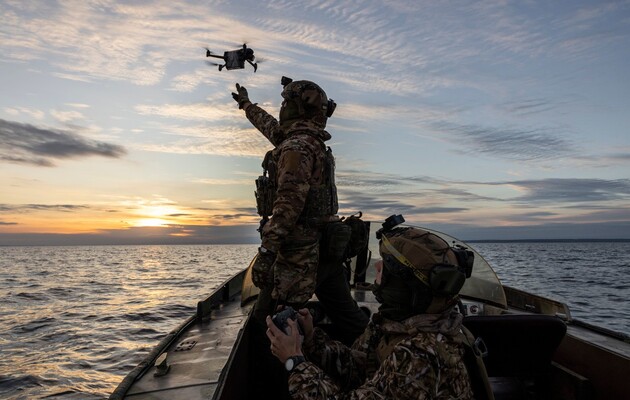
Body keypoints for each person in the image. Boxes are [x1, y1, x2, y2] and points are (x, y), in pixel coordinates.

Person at [232, 77, 369, 397]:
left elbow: (287, 207)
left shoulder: (296, 148)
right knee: (348, 317)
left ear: (296, 108)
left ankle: (283, 389)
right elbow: (271, 128)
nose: (281, 108)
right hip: (327, 249)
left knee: (268, 323)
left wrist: (267, 253)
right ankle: (371, 365)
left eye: (285, 103)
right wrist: (246, 105)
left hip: (299, 255)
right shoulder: (305, 140)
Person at [266, 221, 476, 399]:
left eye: (386, 264)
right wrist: (311, 339)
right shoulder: (395, 324)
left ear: (404, 284)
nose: (376, 267)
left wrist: (293, 361)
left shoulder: (421, 355)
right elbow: (360, 368)